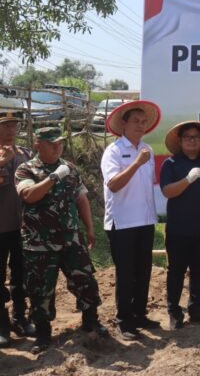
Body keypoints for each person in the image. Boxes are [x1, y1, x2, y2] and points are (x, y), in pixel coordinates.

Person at [15, 127, 107, 353]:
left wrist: (89, 228)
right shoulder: (26, 170)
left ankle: (90, 321)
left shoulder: (70, 168)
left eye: (61, 144)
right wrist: (53, 177)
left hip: (71, 239)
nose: (58, 148)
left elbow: (81, 198)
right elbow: (29, 195)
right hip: (40, 243)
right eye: (52, 144)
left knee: (85, 280)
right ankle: (43, 334)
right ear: (38, 144)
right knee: (40, 289)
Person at [101, 100, 162, 340]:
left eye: (143, 121)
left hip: (145, 220)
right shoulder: (114, 151)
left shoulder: (147, 148)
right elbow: (114, 184)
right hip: (122, 222)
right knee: (126, 273)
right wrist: (136, 163)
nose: (140, 125)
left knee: (143, 271)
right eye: (135, 121)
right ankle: (123, 319)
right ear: (123, 124)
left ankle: (139, 314)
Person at [160, 121, 200, 329]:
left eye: (196, 137)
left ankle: (195, 309)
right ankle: (174, 311)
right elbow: (167, 191)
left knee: (199, 269)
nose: (192, 140)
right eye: (188, 137)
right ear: (180, 141)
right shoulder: (171, 164)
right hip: (178, 228)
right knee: (176, 269)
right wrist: (187, 179)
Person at [0, 109, 35, 347]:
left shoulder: (25, 155)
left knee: (21, 277)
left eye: (14, 126)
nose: (11, 131)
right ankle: (2, 327)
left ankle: (20, 319)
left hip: (22, 227)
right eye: (6, 126)